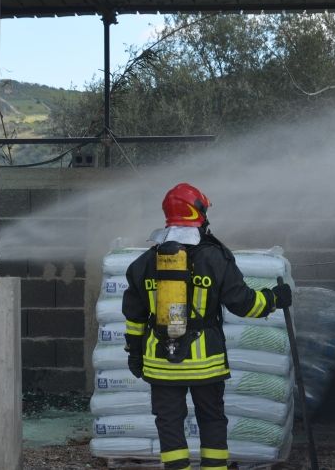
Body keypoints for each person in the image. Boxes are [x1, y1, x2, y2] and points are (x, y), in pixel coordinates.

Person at [122, 183, 292, 470]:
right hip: (206, 361)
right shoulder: (216, 257)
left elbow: (135, 318)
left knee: (169, 421)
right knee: (211, 418)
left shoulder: (143, 263)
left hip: (160, 362)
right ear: (198, 212)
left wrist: (135, 354)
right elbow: (244, 304)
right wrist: (274, 298)